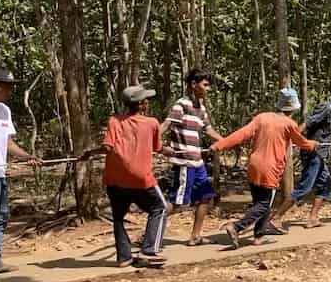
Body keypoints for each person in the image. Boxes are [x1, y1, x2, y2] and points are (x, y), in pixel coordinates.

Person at [214, 87, 318, 246]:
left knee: (262, 201)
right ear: (292, 108)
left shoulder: (261, 118)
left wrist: (220, 145)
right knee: (263, 204)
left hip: (254, 165)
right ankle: (236, 227)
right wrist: (312, 144)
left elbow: (241, 134)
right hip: (270, 168)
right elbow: (302, 143)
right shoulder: (289, 124)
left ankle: (259, 235)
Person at [81, 85, 168, 267]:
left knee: (119, 216)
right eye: (146, 100)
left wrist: (90, 152)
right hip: (139, 178)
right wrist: (178, 153)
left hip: (115, 179)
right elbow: (158, 148)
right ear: (142, 104)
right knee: (159, 208)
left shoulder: (114, 121)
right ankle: (149, 250)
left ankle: (124, 257)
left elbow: (107, 147)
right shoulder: (152, 123)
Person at [273, 84, 331, 230]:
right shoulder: (325, 107)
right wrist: (292, 139)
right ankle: (276, 218)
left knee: (326, 187)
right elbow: (307, 123)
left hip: (321, 155)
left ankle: (312, 218)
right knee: (305, 188)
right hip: (313, 154)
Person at [161, 69, 225, 245]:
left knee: (205, 197)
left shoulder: (201, 108)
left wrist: (227, 142)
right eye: (205, 85)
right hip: (185, 162)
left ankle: (195, 236)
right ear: (193, 85)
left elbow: (208, 130)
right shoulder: (180, 105)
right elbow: (166, 125)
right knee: (178, 202)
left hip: (198, 162)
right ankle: (149, 232)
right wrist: (153, 143)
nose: (208, 89)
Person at [0, 69, 40, 274]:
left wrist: (27, 156)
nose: (11, 90)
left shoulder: (5, 111)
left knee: (0, 217)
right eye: (7, 86)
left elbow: (8, 142)